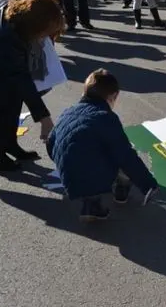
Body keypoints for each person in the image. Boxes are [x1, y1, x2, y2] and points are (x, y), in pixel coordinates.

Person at [46, 69, 159, 221]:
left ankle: (91, 205)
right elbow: (126, 156)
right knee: (121, 153)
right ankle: (121, 190)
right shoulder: (106, 117)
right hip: (92, 174)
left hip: (67, 174)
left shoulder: (68, 111)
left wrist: (64, 165)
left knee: (88, 153)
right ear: (113, 96)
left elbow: (51, 142)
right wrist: (148, 184)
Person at [0, 0, 62, 172]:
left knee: (13, 94)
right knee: (1, 96)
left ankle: (8, 142)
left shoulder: (15, 13)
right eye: (44, 32)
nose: (44, 37)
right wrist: (44, 118)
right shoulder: (5, 37)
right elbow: (20, 78)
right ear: (35, 24)